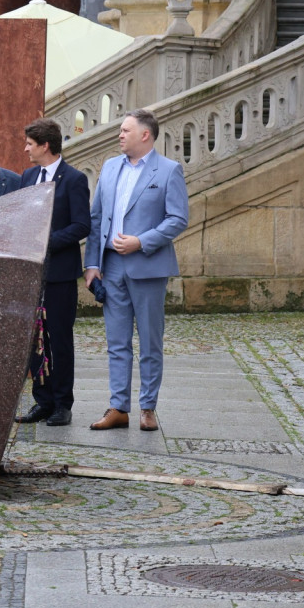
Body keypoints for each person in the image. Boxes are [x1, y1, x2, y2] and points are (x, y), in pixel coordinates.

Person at [84, 109, 189, 432]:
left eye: (126, 130)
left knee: (150, 341)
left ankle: (148, 408)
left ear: (145, 135)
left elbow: (178, 219)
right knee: (116, 342)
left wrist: (141, 242)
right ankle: (118, 407)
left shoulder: (169, 171)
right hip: (111, 268)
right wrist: (92, 264)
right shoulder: (110, 167)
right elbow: (97, 218)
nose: (120, 134)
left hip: (148, 268)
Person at [14, 118, 91, 428]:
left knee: (58, 340)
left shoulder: (73, 179)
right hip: (30, 273)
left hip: (59, 274)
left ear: (45, 145)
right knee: (35, 339)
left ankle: (62, 403)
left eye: (30, 144)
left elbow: (81, 226)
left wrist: (46, 242)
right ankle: (42, 401)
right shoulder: (28, 176)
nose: (26, 149)